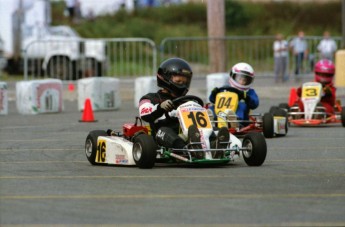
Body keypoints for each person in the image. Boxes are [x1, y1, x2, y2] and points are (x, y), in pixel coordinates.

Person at [139, 57, 229, 151]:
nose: (182, 85)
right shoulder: (151, 98)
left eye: (185, 82)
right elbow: (145, 114)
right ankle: (186, 149)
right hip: (162, 135)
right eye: (178, 81)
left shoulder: (187, 101)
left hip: (190, 133)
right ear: (165, 78)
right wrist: (160, 108)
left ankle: (215, 145)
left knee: (214, 130)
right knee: (165, 131)